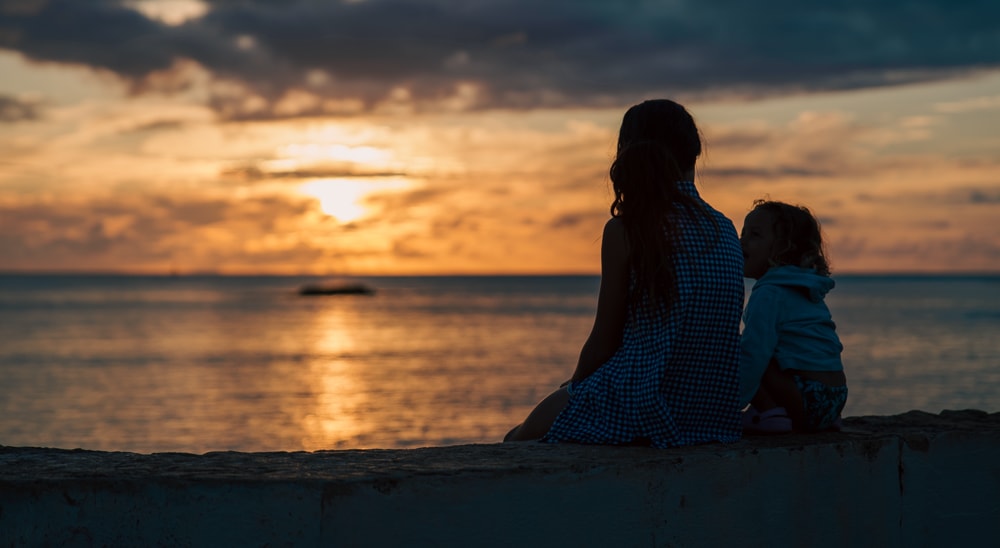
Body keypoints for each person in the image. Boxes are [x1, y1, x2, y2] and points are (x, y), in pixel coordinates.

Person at [504, 99, 745, 447]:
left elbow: (605, 340)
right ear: (694, 154)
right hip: (711, 414)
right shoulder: (725, 229)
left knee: (517, 440)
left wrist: (576, 385)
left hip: (638, 404)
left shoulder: (629, 229)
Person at [738, 199, 847, 434]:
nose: (741, 241)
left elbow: (754, 354)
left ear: (783, 249)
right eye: (743, 233)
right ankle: (814, 418)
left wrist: (732, 401)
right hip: (836, 398)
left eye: (755, 235)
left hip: (806, 400)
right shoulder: (806, 287)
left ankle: (769, 413)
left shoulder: (769, 292)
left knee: (739, 348)